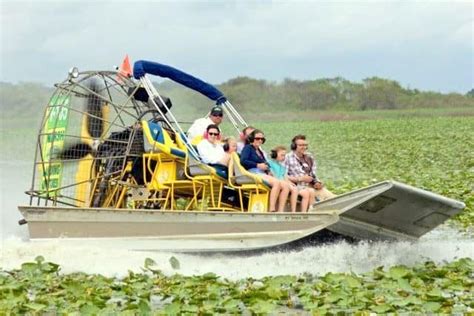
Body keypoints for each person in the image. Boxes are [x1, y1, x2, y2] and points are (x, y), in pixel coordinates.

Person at [240, 129, 290, 212]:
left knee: (285, 185)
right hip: (253, 172)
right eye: (257, 138)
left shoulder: (260, 151)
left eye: (262, 139)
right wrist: (257, 165)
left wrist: (268, 171)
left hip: (262, 173)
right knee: (276, 183)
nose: (260, 140)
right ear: (252, 138)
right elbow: (243, 161)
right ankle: (272, 208)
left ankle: (280, 210)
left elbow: (265, 164)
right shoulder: (248, 148)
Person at [285, 134, 336, 203]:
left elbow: (313, 174)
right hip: (300, 187)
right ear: (294, 146)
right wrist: (300, 179)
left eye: (305, 145)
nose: (304, 147)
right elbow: (283, 176)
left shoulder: (309, 156)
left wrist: (317, 182)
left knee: (334, 199)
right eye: (301, 145)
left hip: (312, 186)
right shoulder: (287, 157)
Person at [267, 146, 314, 212]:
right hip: (278, 182)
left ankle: (299, 211)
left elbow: (285, 177)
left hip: (284, 182)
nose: (283, 157)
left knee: (297, 189)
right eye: (282, 155)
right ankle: (286, 210)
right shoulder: (270, 163)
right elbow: (272, 175)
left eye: (284, 156)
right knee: (293, 189)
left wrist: (291, 183)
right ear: (274, 155)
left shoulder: (282, 166)